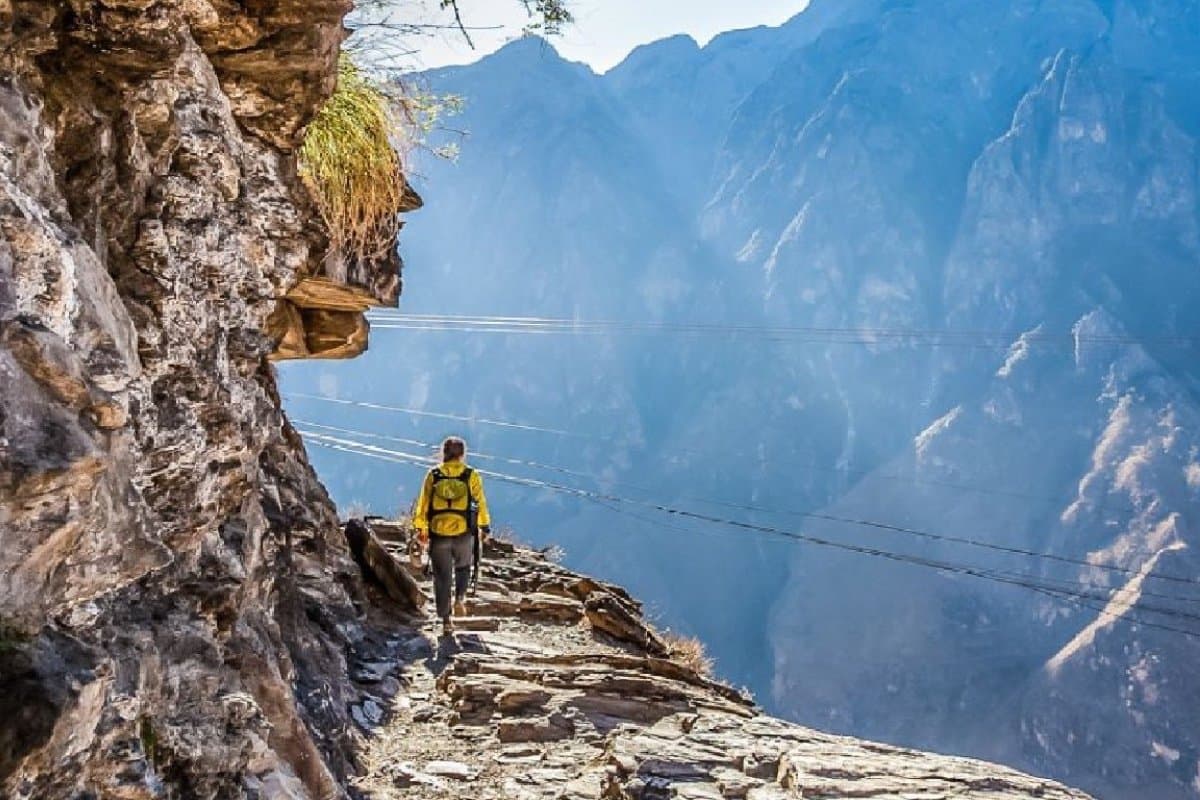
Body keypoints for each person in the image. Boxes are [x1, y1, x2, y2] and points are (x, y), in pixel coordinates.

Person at [412, 436, 491, 636]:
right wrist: (484, 526)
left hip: (438, 534)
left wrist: (420, 529)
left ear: (443, 453)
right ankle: (460, 599)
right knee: (463, 567)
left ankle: (446, 620)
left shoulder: (434, 475)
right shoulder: (471, 475)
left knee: (442, 577)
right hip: (464, 532)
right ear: (463, 454)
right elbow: (480, 502)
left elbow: (423, 504)